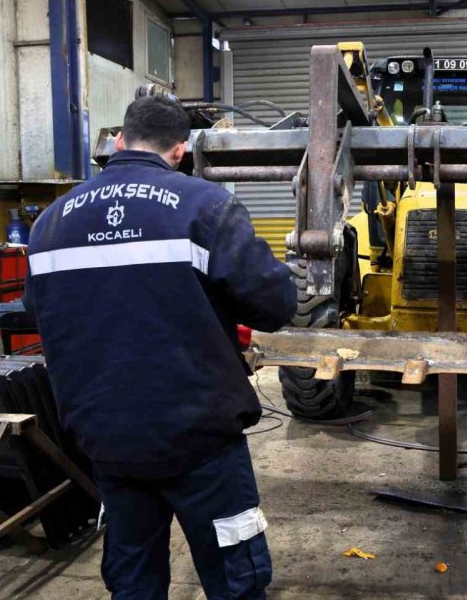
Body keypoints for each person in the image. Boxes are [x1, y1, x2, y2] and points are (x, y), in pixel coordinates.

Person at [24, 94, 296, 599]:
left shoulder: (50, 223)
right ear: (181, 149)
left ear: (119, 141)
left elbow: (42, 313)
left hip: (106, 440)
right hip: (200, 441)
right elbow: (275, 306)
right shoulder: (207, 207)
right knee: (234, 581)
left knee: (133, 580)